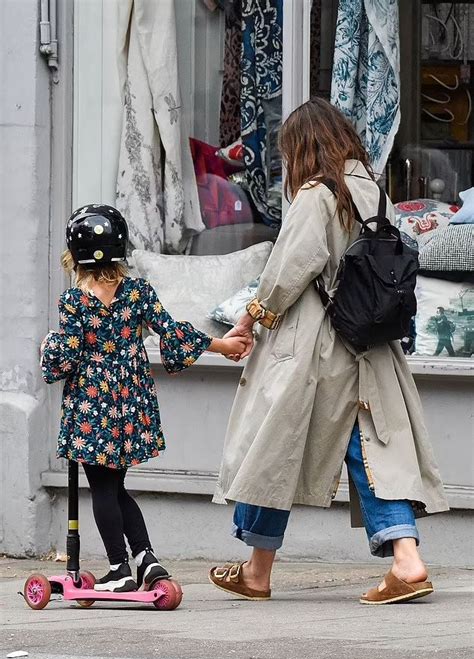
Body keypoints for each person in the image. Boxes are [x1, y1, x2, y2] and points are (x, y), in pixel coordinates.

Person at [209, 99, 449, 605]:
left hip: (317, 348)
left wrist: (251, 318)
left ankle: (261, 570)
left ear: (302, 148)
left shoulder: (317, 195)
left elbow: (288, 269)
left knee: (274, 446)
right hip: (371, 344)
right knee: (373, 451)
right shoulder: (372, 191)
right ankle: (403, 560)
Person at [41, 204, 248, 593]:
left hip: (92, 408)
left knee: (103, 490)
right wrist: (223, 345)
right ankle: (146, 560)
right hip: (129, 405)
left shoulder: (74, 303)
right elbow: (172, 333)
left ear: (75, 255)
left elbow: (64, 356)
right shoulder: (137, 292)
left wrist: (46, 347)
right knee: (117, 488)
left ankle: (119, 568)